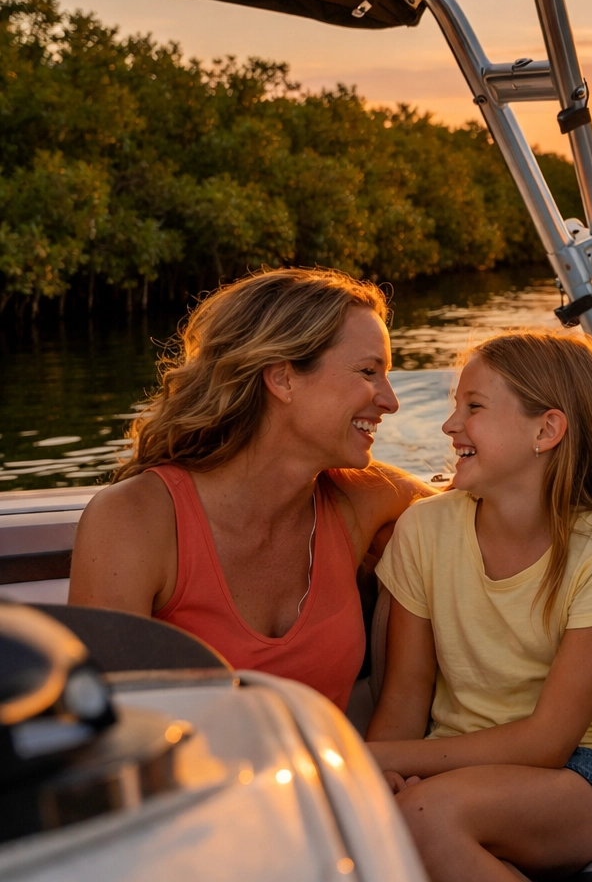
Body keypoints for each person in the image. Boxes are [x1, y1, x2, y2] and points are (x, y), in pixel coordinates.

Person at [366, 330, 592, 882]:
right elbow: (405, 696)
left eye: (475, 407)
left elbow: (547, 741)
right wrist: (378, 770)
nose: (449, 425)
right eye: (454, 405)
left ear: (546, 429)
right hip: (456, 759)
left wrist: (388, 763)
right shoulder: (425, 528)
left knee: (421, 819)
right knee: (364, 820)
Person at [70, 268, 432, 710]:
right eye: (368, 372)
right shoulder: (134, 521)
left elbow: (487, 508)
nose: (390, 400)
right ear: (282, 378)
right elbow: (99, 723)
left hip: (322, 776)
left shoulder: (362, 499)